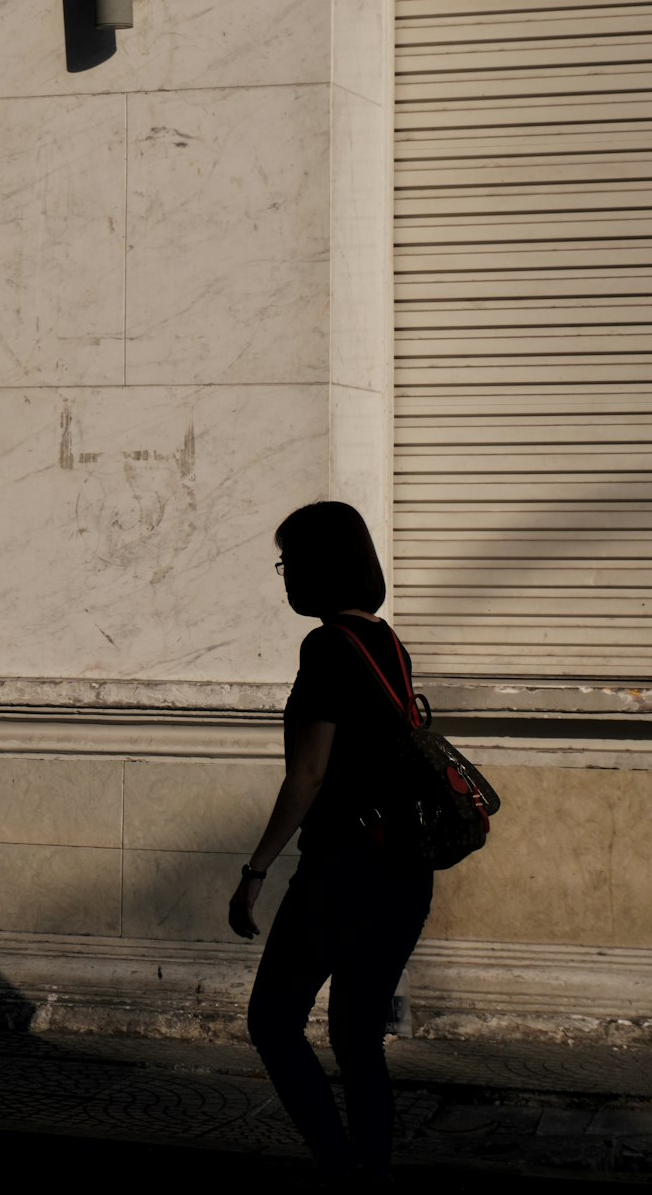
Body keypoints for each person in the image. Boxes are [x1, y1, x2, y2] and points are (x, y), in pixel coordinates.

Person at [228, 500, 433, 1188]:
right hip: (405, 869)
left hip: (344, 870)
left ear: (317, 564)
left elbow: (308, 774)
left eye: (287, 562)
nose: (283, 578)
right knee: (356, 1037)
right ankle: (371, 1173)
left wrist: (256, 868)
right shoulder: (389, 646)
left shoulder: (326, 648)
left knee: (274, 1022)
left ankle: (340, 1167)